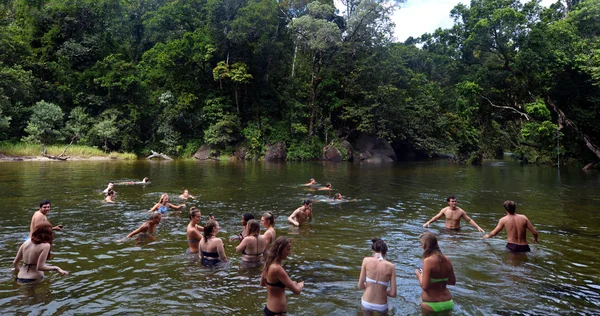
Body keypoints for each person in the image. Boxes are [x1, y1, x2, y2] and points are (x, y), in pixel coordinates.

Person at [260, 237, 304, 316]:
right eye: (287, 249)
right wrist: (300, 285)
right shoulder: (277, 268)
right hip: (276, 313)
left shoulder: (268, 263)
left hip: (270, 309)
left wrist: (284, 285)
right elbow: (297, 291)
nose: (289, 253)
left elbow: (263, 283)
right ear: (280, 249)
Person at [415, 232, 456, 314]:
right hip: (448, 302)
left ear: (426, 245)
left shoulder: (428, 261)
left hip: (431, 305)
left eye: (421, 244)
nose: (421, 246)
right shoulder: (447, 259)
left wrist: (419, 275)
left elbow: (425, 287)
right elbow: (452, 282)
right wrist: (440, 279)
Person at [358, 238, 397, 315]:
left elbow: (360, 286)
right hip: (381, 305)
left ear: (373, 250)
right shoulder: (391, 267)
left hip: (367, 302)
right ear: (385, 253)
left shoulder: (366, 260)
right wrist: (381, 288)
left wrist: (370, 285)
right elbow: (393, 294)